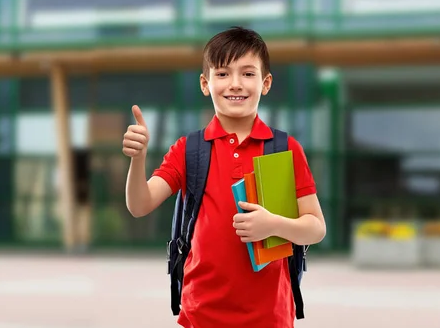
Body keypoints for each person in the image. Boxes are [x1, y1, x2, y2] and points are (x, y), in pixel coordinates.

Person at [122, 26, 326, 328]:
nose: (235, 84)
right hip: (200, 316)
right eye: (222, 74)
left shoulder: (285, 148)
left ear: (265, 83)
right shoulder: (189, 149)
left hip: (270, 318)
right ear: (205, 84)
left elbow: (316, 228)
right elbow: (140, 205)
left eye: (247, 73)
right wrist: (137, 159)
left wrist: (273, 225)